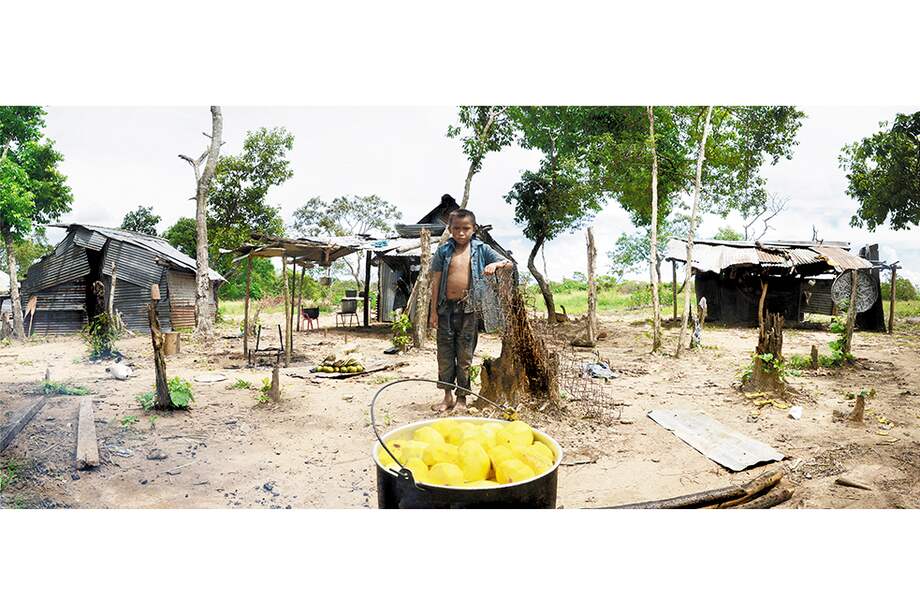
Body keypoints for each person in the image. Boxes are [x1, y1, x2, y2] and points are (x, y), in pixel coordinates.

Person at [429, 208, 513, 411]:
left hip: (469, 310)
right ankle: (447, 396)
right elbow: (436, 280)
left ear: (473, 229)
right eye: (456, 228)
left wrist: (497, 265)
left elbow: (509, 263)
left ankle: (462, 399)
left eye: (465, 228)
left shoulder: (481, 249)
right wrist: (433, 312)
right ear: (449, 229)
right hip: (445, 309)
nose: (460, 233)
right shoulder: (443, 250)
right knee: (445, 354)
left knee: (465, 355)